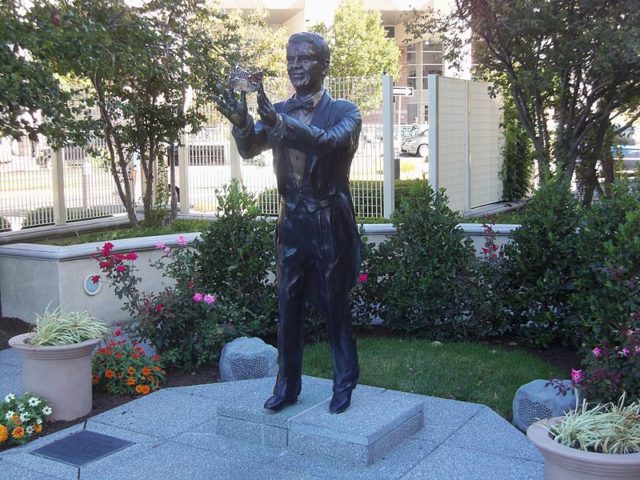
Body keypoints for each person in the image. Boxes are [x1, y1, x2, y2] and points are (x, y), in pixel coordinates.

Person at [215, 32, 362, 414]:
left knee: (333, 304)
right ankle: (287, 385)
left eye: (305, 58)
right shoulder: (278, 109)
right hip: (291, 219)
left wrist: (279, 122)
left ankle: (344, 381)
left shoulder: (347, 112)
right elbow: (250, 148)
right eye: (290, 57)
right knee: (287, 304)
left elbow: (327, 142)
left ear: (324, 66)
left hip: (328, 217)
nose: (295, 64)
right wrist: (242, 122)